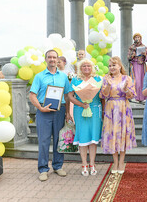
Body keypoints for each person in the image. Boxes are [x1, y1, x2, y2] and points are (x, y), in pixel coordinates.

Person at [29, 49, 72, 181]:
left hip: (59, 112)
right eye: (50, 57)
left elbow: (67, 95)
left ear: (58, 60)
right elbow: (32, 95)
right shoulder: (39, 76)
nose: (52, 59)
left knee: (60, 141)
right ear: (46, 59)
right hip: (44, 112)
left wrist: (67, 113)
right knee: (43, 141)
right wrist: (41, 108)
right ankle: (43, 169)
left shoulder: (63, 76)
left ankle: (58, 166)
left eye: (54, 57)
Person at [100, 57, 137, 174]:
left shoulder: (127, 78)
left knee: (123, 134)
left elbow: (131, 95)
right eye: (110, 65)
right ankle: (115, 162)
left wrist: (126, 89)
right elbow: (103, 95)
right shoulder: (106, 79)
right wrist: (108, 86)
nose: (112, 67)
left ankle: (122, 161)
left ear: (120, 66)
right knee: (112, 134)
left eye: (114, 65)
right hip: (110, 108)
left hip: (123, 108)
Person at [68, 58, 104, 176]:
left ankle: (92, 164)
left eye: (88, 66)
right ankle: (84, 164)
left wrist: (103, 110)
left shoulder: (98, 79)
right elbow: (70, 96)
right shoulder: (75, 79)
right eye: (84, 66)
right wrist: (81, 104)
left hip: (95, 109)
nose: (86, 68)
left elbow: (102, 96)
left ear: (92, 67)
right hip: (80, 110)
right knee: (83, 137)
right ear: (80, 68)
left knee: (93, 138)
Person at [127, 33, 147, 103]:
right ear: (134, 39)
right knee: (136, 81)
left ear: (140, 38)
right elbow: (128, 58)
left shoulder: (144, 47)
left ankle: (143, 97)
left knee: (143, 80)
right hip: (135, 65)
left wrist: (145, 55)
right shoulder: (131, 47)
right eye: (136, 37)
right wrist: (132, 55)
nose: (137, 38)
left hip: (142, 65)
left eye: (138, 37)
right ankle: (135, 97)